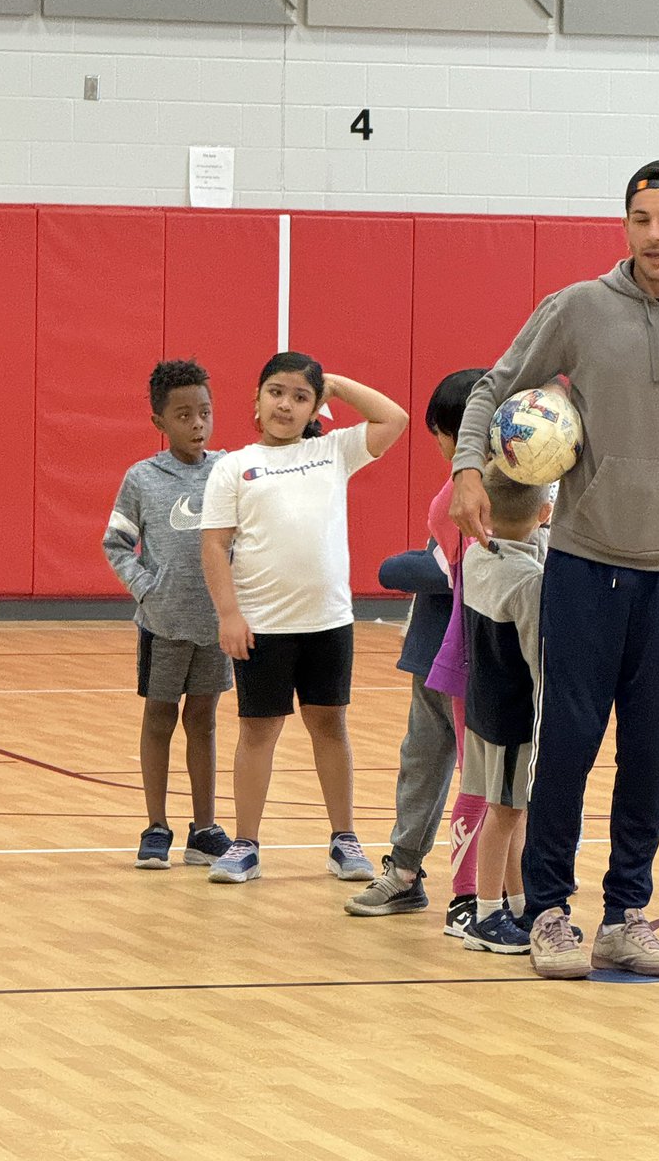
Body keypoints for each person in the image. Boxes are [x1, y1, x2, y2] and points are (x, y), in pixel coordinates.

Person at [450, 160, 659, 979]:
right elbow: (492, 389)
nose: (656, 235)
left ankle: (627, 915)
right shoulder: (579, 309)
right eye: (642, 220)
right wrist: (465, 469)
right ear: (624, 228)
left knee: (651, 750)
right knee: (567, 741)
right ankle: (549, 911)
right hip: (585, 565)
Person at [200, 351, 408, 884]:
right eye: (276, 392)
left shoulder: (333, 451)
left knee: (330, 726)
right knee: (257, 731)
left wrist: (335, 382)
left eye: (300, 396)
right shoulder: (233, 466)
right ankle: (244, 843)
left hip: (328, 623)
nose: (285, 404)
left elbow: (395, 419)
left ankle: (344, 839)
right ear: (256, 398)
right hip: (261, 626)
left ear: (316, 406)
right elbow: (214, 545)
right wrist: (229, 614)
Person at [344, 369, 487, 928]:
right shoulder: (453, 494)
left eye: (441, 436)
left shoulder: (488, 490)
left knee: (484, 776)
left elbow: (435, 566)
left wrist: (406, 565)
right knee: (423, 761)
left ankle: (487, 891)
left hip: (482, 654)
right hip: (435, 649)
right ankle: (405, 871)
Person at [103, 359, 233, 870]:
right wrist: (146, 590)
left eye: (205, 412)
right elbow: (116, 544)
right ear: (160, 423)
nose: (197, 424)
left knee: (202, 721)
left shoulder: (228, 472)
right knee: (159, 718)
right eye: (184, 415)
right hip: (163, 624)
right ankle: (156, 825)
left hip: (215, 625)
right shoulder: (142, 478)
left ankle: (205, 829)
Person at [459, 465, 552, 955]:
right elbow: (540, 658)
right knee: (505, 814)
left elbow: (522, 544)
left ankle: (516, 905)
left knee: (513, 813)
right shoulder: (529, 583)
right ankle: (486, 913)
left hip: (481, 708)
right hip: (514, 716)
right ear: (545, 513)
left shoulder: (477, 555)